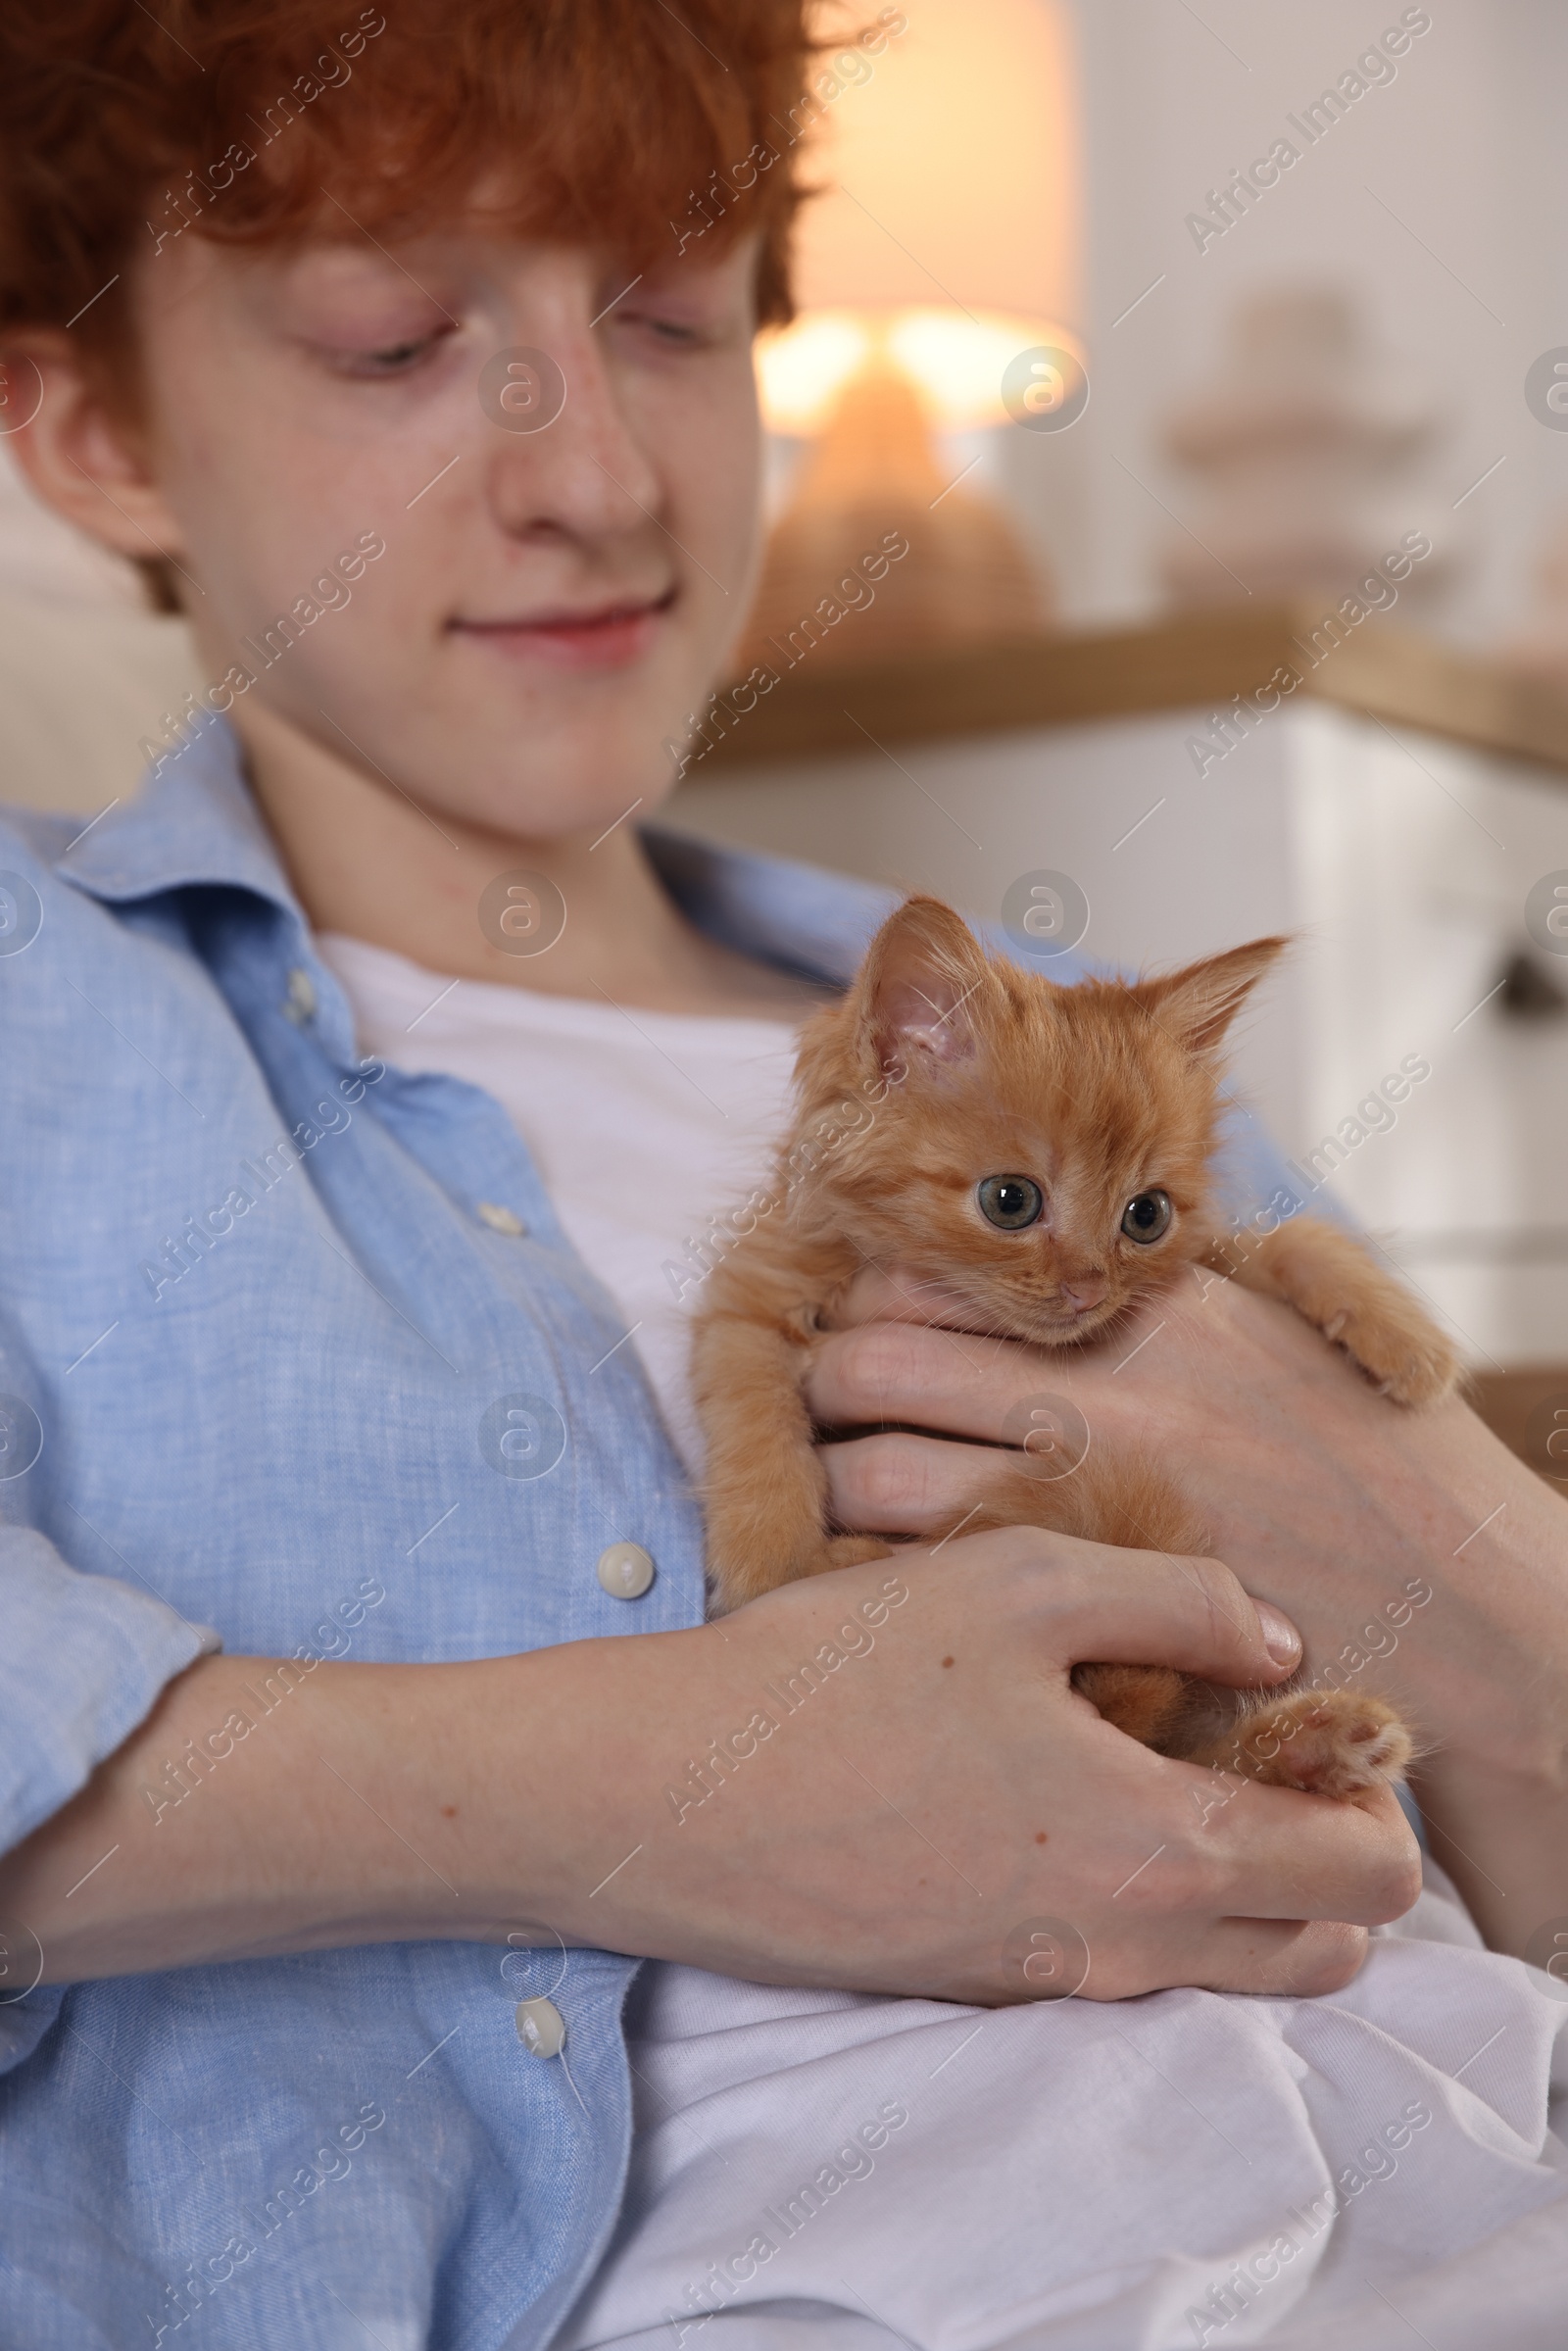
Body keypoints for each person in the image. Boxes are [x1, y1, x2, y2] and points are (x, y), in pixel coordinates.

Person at [0, 3, 1563, 2346]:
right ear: (91, 432)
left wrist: (1491, 1597)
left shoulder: (1106, 1055)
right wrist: (683, 1788)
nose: (599, 478)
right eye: (400, 339)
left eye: (667, 310)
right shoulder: (48, 1018)